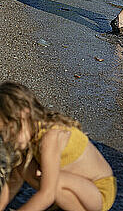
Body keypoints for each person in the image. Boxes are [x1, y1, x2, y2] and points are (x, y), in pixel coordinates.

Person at [0, 81, 115, 211]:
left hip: (98, 192)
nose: (6, 139)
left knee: (51, 182)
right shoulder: (32, 135)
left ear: (24, 114)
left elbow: (47, 194)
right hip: (77, 186)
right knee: (22, 167)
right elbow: (13, 182)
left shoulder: (50, 137)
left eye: (8, 132)